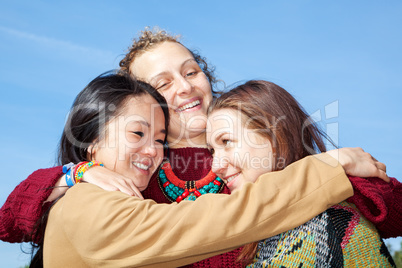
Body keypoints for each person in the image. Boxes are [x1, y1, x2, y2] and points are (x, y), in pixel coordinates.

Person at [0, 28, 392, 267]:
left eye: (191, 71)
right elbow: (10, 222)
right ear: (141, 100)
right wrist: (74, 172)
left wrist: (334, 170)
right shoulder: (131, 175)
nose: (185, 87)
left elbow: (389, 210)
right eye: (164, 83)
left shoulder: (249, 150)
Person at [37, 71, 354, 267]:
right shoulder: (83, 201)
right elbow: (203, 222)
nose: (152, 151)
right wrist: (325, 169)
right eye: (137, 133)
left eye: (160, 139)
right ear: (91, 142)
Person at [206, 80, 401, 267]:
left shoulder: (326, 223)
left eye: (226, 142)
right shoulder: (268, 229)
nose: (215, 166)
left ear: (276, 139)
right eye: (212, 150)